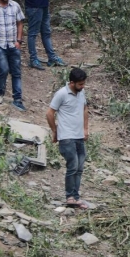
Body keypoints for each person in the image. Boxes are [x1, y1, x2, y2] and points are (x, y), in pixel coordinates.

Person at [46, 68, 89, 209]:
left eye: (83, 84)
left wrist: (86, 129)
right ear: (72, 83)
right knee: (73, 166)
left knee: (80, 167)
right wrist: (55, 131)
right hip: (67, 137)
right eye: (80, 84)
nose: (82, 87)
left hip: (79, 136)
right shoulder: (62, 94)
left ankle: (76, 197)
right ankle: (70, 197)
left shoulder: (81, 93)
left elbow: (84, 110)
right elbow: (50, 113)